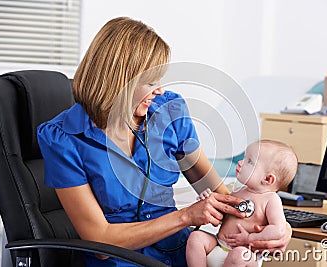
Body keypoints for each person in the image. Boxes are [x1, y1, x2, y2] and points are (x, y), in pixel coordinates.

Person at [37, 17, 291, 266]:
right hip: (122, 261)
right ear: (120, 82)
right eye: (151, 82)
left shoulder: (168, 111)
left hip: (184, 253)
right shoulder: (63, 138)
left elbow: (224, 199)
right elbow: (99, 239)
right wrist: (185, 217)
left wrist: (280, 228)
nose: (159, 90)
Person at [186, 140, 298, 267]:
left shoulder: (271, 200)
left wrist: (249, 239)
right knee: (196, 237)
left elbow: (278, 229)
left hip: (245, 256)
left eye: (249, 161)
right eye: (245, 158)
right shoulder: (238, 191)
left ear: (267, 179)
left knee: (239, 254)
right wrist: (207, 198)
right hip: (219, 245)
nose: (240, 163)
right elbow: (220, 212)